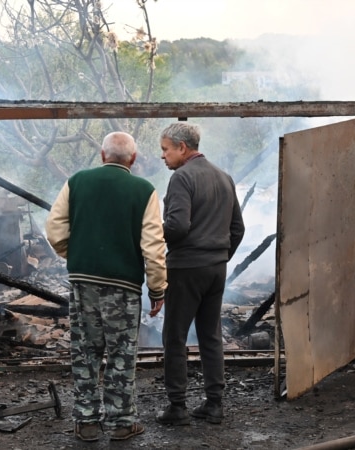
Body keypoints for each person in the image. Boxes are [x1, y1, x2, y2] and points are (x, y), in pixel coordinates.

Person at [45, 131, 167, 441]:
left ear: (102, 155)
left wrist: (76, 257)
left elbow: (55, 229)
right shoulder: (144, 190)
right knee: (121, 354)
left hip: (82, 284)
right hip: (123, 287)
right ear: (134, 159)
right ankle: (121, 423)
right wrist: (157, 289)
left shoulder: (77, 181)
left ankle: (86, 422)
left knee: (85, 352)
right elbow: (153, 246)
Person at [155, 122, 245, 425]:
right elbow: (238, 229)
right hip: (216, 269)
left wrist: (155, 235)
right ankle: (214, 404)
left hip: (186, 269)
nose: (163, 157)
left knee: (175, 337)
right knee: (210, 335)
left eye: (165, 150)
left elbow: (178, 226)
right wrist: (220, 256)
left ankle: (177, 407)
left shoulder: (182, 178)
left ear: (182, 148)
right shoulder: (224, 177)